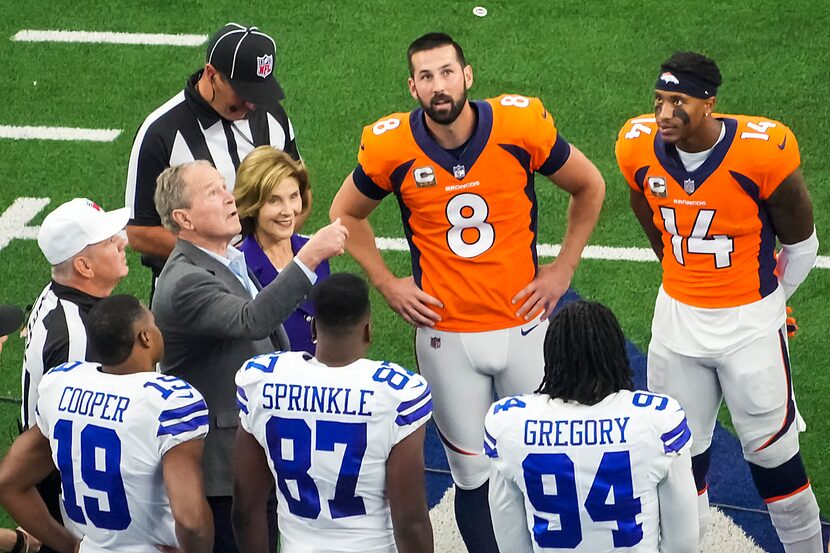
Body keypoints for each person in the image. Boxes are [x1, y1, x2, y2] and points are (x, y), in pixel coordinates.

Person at [329, 32, 605, 551]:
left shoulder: (518, 126)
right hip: (446, 335)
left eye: (447, 72)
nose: (439, 86)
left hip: (523, 323)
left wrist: (564, 268)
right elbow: (344, 213)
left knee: (540, 461)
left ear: (468, 75)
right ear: (412, 86)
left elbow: (589, 184)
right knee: (473, 475)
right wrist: (387, 282)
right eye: (427, 76)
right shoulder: (392, 145)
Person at [615, 51, 821, 552]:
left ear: (709, 104)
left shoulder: (762, 151)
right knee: (677, 466)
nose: (664, 113)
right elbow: (651, 219)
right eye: (659, 100)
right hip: (677, 324)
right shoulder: (637, 145)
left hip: (749, 329)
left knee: (776, 462)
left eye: (678, 101)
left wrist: (771, 302)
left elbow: (802, 246)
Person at [152, 160, 347, 553]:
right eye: (213, 192)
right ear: (183, 218)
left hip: (254, 451)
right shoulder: (186, 280)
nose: (229, 198)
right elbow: (252, 320)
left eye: (224, 187)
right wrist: (307, 259)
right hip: (222, 469)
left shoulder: (226, 257)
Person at [233, 273, 433, 553]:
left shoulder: (263, 381)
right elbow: (410, 520)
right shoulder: (396, 394)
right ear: (367, 331)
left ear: (313, 329)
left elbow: (246, 506)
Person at [0, 294, 213, 552]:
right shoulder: (170, 402)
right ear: (145, 337)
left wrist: (69, 546)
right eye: (153, 324)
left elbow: (8, 481)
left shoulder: (63, 385)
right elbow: (191, 522)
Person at [484, 300, 698, 552]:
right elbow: (683, 544)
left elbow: (511, 543)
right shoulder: (657, 421)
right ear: (615, 352)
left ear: (552, 355)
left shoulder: (508, 423)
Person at [125, 22, 307, 288]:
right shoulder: (161, 132)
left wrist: (265, 252)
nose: (252, 103)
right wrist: (224, 258)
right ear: (212, 75)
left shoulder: (272, 115)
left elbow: (300, 193)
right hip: (194, 290)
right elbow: (139, 232)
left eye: (259, 90)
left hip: (267, 282)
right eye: (244, 91)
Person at [19, 198, 130, 551]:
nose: (123, 241)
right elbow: (80, 438)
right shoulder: (78, 333)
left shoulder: (58, 298)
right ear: (83, 265)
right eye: (110, 240)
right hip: (76, 497)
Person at [234, 146, 330, 354]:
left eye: (293, 196)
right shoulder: (238, 267)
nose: (288, 211)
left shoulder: (315, 252)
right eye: (273, 200)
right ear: (252, 204)